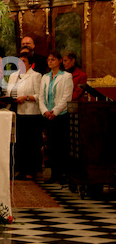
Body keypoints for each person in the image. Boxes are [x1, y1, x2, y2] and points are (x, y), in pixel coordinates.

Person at [5, 51, 43, 179]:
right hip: (16, 111)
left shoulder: (36, 76)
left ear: (30, 63)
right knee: (19, 142)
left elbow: (39, 96)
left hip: (30, 112)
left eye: (24, 61)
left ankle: (31, 171)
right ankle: (19, 169)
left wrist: (26, 97)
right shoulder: (13, 76)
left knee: (30, 142)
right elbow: (9, 92)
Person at [39, 51, 73, 184]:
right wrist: (45, 111)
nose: (50, 62)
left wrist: (55, 111)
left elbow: (66, 97)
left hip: (60, 115)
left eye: (53, 59)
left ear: (59, 61)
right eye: (48, 60)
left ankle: (62, 173)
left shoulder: (66, 76)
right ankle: (53, 173)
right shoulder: (45, 77)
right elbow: (41, 97)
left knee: (61, 145)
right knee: (51, 146)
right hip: (48, 115)